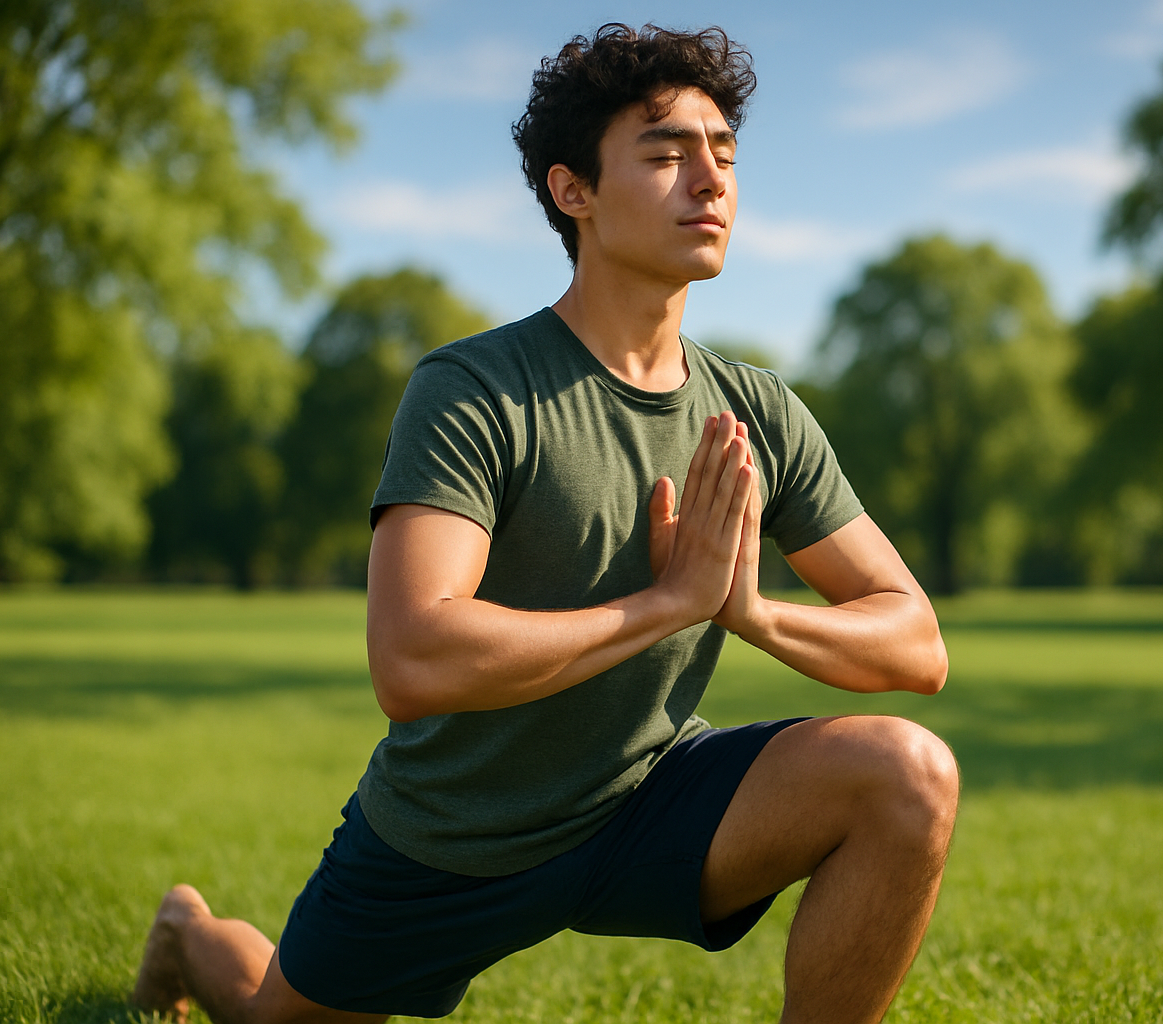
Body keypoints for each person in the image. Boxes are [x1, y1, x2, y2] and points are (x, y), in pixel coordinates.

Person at [132, 23, 957, 1024]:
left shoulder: (759, 412)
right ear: (576, 192)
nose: (711, 180)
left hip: (646, 796)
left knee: (905, 773)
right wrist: (664, 605)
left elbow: (915, 641)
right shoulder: (477, 389)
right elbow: (413, 657)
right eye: (665, 155)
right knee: (274, 1018)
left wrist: (748, 612)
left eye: (723, 154)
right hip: (454, 833)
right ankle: (187, 929)